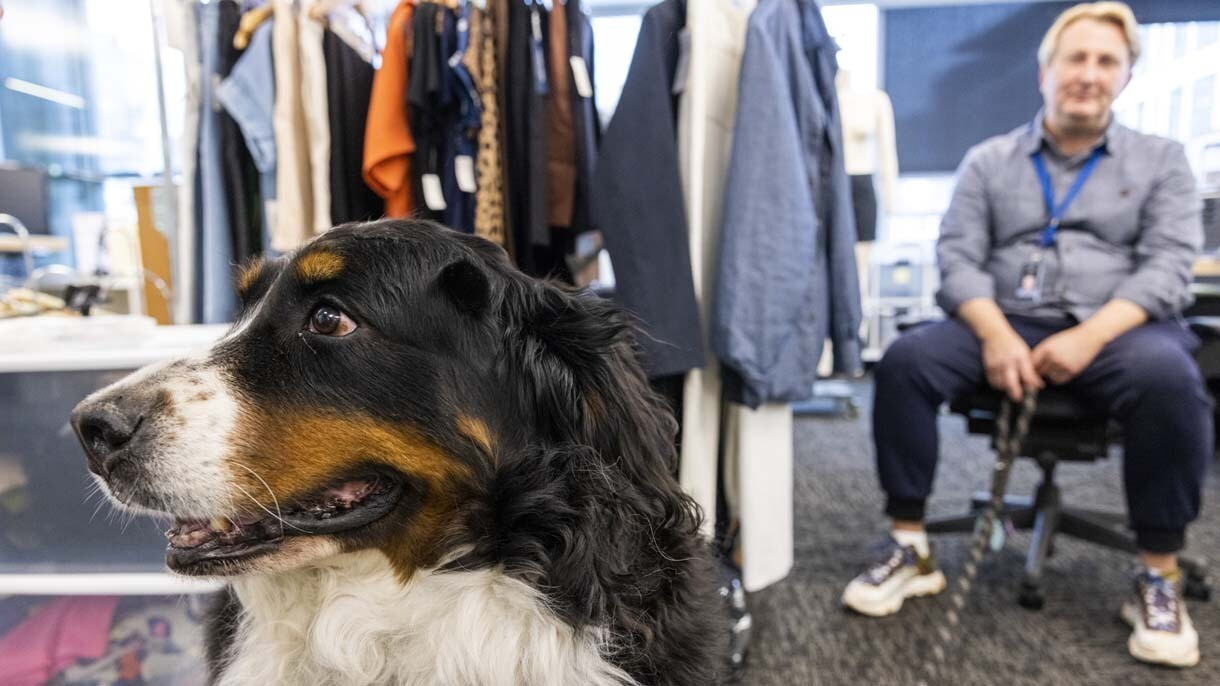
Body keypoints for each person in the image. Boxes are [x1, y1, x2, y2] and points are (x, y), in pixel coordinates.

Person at [841, 1, 1210, 669]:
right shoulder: (988, 160)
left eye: (1107, 62)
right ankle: (908, 543)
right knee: (904, 362)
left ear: (1125, 77)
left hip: (1115, 326)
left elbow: (1166, 269)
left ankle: (1159, 572)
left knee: (1170, 379)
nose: (1089, 74)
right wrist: (995, 335)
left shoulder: (1162, 161)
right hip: (1001, 317)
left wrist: (1088, 338)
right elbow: (956, 260)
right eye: (1077, 58)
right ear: (1044, 70)